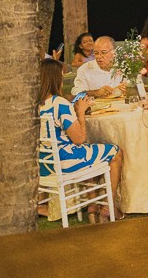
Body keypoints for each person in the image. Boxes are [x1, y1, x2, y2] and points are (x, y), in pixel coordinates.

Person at [38, 58, 123, 222]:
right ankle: (107, 206)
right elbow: (79, 139)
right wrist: (81, 113)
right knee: (116, 152)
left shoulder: (36, 105)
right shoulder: (59, 103)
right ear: (56, 79)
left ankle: (92, 206)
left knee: (93, 151)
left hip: (45, 165)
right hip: (66, 162)